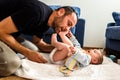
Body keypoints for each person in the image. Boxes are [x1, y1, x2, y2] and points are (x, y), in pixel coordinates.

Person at [0, 0, 77, 76]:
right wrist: (27, 53)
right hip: (2, 30)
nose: (67, 29)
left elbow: (38, 42)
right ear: (61, 12)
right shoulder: (37, 12)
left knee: (34, 49)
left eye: (70, 27)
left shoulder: (47, 22)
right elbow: (1, 30)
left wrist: (62, 48)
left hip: (7, 31)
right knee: (11, 65)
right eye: (68, 23)